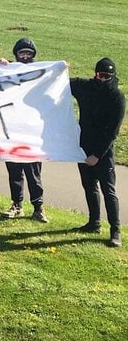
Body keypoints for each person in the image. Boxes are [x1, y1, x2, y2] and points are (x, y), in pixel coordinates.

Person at [70, 58, 124, 247]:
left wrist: (97, 155)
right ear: (95, 74)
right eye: (100, 75)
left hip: (104, 152)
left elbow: (113, 131)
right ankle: (94, 223)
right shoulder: (85, 87)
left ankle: (115, 230)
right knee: (89, 186)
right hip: (84, 147)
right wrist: (60, 68)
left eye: (107, 76)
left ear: (113, 77)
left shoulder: (117, 97)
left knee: (108, 190)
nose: (103, 79)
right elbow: (62, 82)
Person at [2, 38, 48, 222]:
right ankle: (16, 204)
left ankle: (38, 207)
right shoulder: (9, 70)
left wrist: (59, 69)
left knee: (33, 172)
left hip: (32, 132)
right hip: (11, 131)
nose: (25, 56)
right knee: (14, 171)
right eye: (22, 53)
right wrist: (0, 64)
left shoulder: (41, 73)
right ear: (16, 54)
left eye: (29, 53)